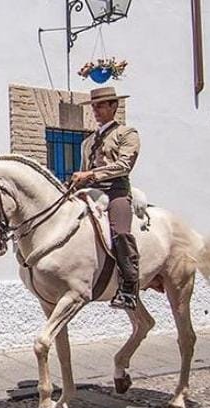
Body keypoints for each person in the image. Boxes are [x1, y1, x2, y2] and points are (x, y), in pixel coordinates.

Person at [70, 87, 141, 310]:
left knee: (120, 232)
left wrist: (90, 175)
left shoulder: (127, 134)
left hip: (115, 191)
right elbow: (84, 171)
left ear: (114, 106)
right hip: (91, 192)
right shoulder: (87, 142)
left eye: (101, 105)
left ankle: (129, 287)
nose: (96, 110)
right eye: (94, 106)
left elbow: (123, 165)